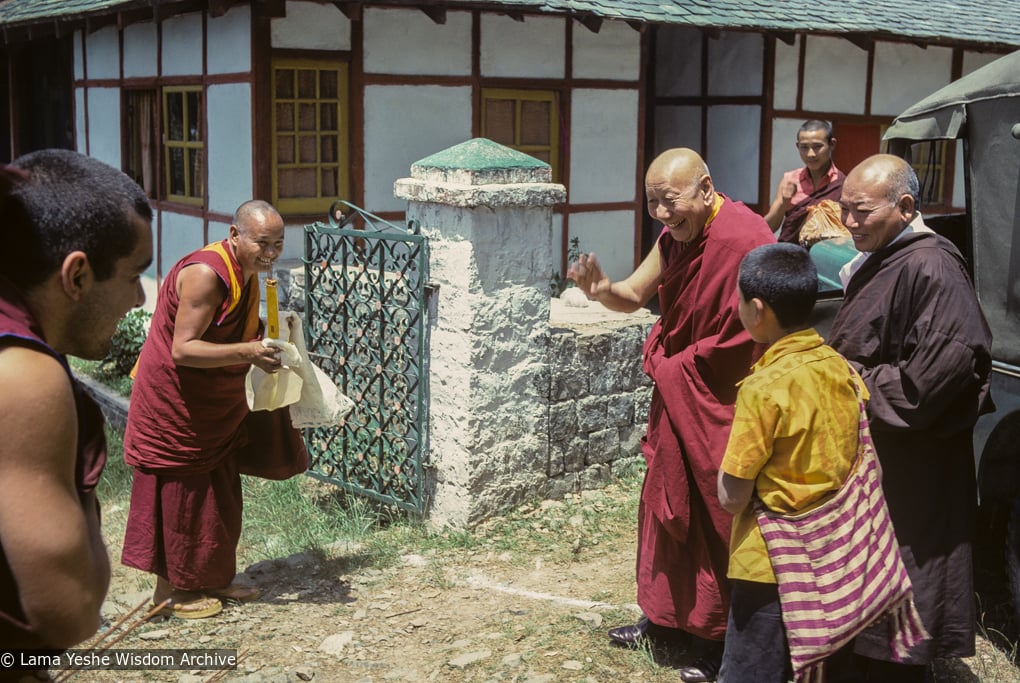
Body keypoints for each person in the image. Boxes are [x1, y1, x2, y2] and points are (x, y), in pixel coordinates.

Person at [568, 148, 774, 682]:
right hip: (682, 389)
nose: (662, 213)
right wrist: (601, 291)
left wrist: (674, 364)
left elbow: (747, 332)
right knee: (666, 500)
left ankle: (721, 635)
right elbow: (634, 293)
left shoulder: (745, 239)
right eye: (652, 203)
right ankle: (666, 620)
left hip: (722, 399)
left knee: (715, 512)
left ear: (706, 189)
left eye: (671, 200)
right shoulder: (676, 236)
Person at [716, 243, 926, 682]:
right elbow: (872, 467)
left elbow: (732, 497)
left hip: (770, 567)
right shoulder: (841, 369)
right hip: (837, 564)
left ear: (757, 310)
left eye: (738, 300)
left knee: (753, 672)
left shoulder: (763, 389)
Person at [827, 154, 993, 681]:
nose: (849, 223)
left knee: (904, 579)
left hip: (912, 464)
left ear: (904, 207)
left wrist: (849, 380)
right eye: (843, 210)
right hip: (878, 458)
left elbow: (938, 373)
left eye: (861, 212)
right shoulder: (886, 255)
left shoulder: (932, 265)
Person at [122, 199, 305, 619]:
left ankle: (211, 577)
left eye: (278, 244)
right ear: (235, 235)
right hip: (177, 402)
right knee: (182, 497)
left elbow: (232, 326)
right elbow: (183, 349)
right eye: (262, 243)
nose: (271, 253)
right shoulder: (207, 274)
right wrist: (249, 350)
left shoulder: (246, 271)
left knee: (218, 490)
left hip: (211, 402)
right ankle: (173, 593)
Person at [0, 149, 153, 651]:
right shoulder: (22, 375)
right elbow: (70, 612)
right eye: (134, 275)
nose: (139, 300)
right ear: (78, 276)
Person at [763, 119, 845, 244]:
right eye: (804, 147)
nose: (810, 154)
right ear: (797, 146)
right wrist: (783, 202)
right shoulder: (790, 179)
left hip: (825, 256)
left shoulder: (843, 184)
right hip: (791, 256)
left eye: (817, 147)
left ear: (832, 144)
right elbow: (768, 228)